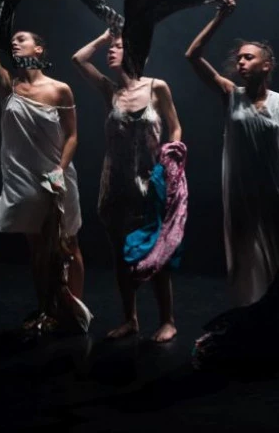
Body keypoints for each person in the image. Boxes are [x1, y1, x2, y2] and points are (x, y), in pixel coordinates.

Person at [184, 2, 279, 307]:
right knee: (242, 254)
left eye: (248, 57)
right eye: (238, 58)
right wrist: (219, 17)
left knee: (277, 250)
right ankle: (246, 311)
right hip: (240, 188)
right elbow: (192, 55)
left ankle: (277, 312)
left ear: (266, 65)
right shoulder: (230, 95)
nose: (240, 62)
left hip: (274, 187)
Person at [0, 8, 86, 330]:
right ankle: (45, 310)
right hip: (22, 178)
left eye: (21, 39)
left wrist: (60, 171)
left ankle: (75, 312)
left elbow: (73, 136)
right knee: (36, 248)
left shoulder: (59, 89)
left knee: (68, 244)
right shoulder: (8, 86)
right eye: (13, 41)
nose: (15, 42)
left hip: (56, 175)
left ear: (39, 49)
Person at [72, 30, 183, 342]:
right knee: (120, 255)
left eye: (118, 46)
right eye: (111, 47)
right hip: (116, 183)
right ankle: (130, 319)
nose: (111, 50)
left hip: (150, 182)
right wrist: (105, 36)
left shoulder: (157, 87)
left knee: (157, 253)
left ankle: (167, 320)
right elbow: (78, 59)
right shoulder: (111, 91)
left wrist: (172, 157)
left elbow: (174, 126)